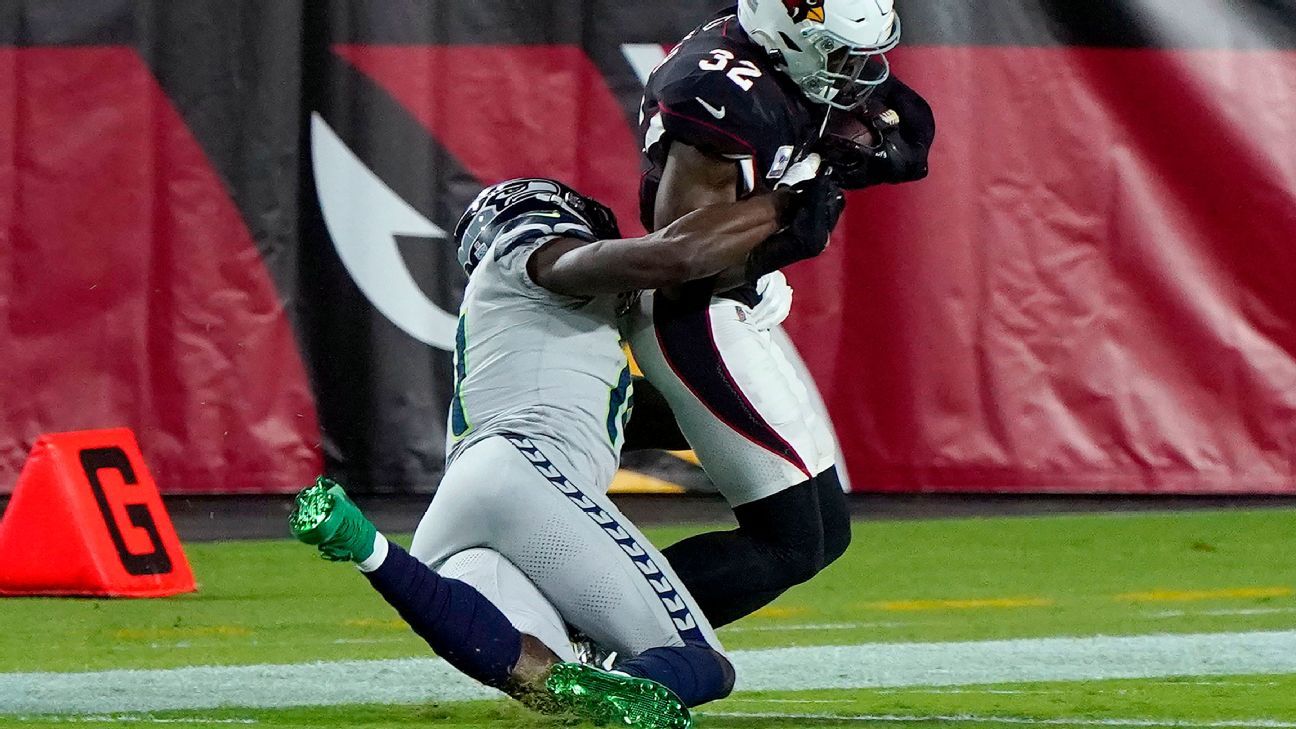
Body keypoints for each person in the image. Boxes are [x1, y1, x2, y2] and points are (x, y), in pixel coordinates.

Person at [290, 173, 841, 728]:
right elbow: (651, 261)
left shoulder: (546, 341)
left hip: (463, 499)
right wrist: (775, 226)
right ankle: (638, 692)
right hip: (525, 476)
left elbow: (691, 412)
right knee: (699, 664)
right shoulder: (530, 254)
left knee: (552, 679)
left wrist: (741, 298)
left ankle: (368, 550)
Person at [627, 0, 936, 627]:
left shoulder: (778, 50)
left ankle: (595, 621)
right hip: (695, 310)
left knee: (822, 536)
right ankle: (580, 631)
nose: (857, 72)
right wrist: (785, 229)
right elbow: (678, 256)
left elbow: (909, 135)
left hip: (736, 302)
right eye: (839, 55)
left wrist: (831, 159)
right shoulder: (720, 92)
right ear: (789, 35)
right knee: (787, 541)